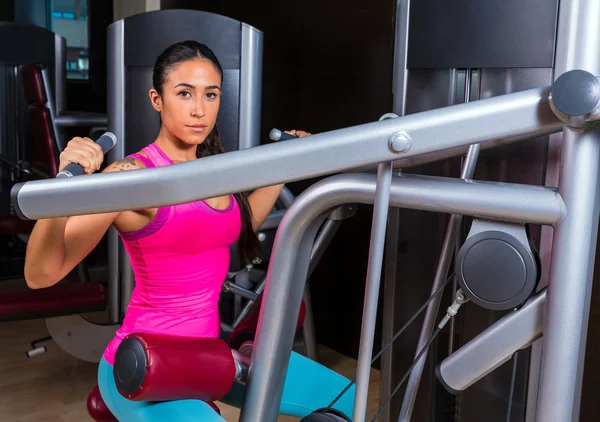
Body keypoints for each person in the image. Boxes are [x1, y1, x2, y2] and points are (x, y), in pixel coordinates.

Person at [23, 40, 354, 421]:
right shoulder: (134, 177)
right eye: (184, 93)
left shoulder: (211, 173)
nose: (200, 109)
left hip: (205, 358)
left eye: (210, 95)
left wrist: (288, 165)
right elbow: (40, 275)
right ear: (157, 99)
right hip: (143, 364)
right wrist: (60, 190)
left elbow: (235, 228)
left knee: (350, 400)